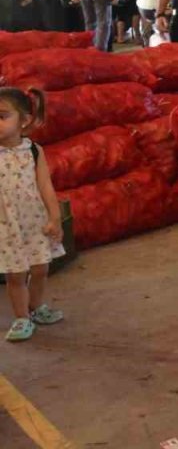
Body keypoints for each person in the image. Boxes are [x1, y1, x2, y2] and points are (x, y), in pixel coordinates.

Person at [0, 87, 66, 343]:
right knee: (15, 275)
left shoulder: (34, 151)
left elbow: (45, 186)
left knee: (40, 268)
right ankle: (21, 318)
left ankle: (36, 307)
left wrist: (54, 217)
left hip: (34, 222)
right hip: (6, 226)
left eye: (3, 116)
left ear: (24, 120)